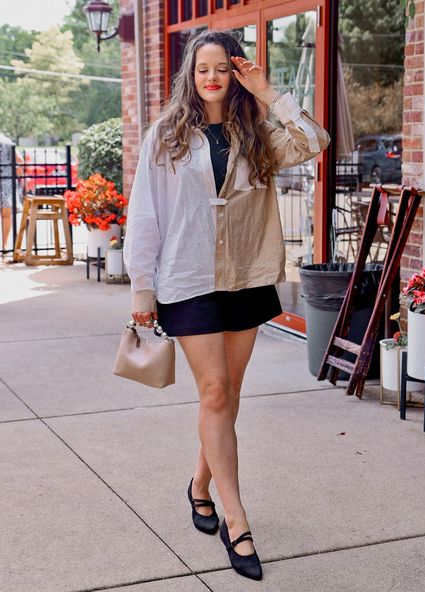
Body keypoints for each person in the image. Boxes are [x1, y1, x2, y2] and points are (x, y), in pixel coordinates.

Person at [123, 29, 330, 581]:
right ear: (189, 76)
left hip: (244, 276)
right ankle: (237, 521)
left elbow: (316, 139)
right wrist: (143, 287)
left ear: (235, 72)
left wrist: (268, 92)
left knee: (227, 394)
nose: (211, 78)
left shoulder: (256, 130)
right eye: (201, 69)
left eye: (221, 68)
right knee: (214, 390)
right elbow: (145, 211)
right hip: (186, 277)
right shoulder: (166, 134)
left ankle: (199, 486)